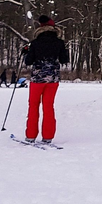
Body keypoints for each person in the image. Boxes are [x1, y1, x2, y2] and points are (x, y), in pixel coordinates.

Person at [22, 14, 68, 143]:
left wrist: (26, 52)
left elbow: (29, 61)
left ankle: (30, 135)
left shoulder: (35, 43)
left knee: (33, 106)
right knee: (48, 106)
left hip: (37, 78)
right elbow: (64, 59)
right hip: (53, 78)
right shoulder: (59, 42)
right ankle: (48, 136)